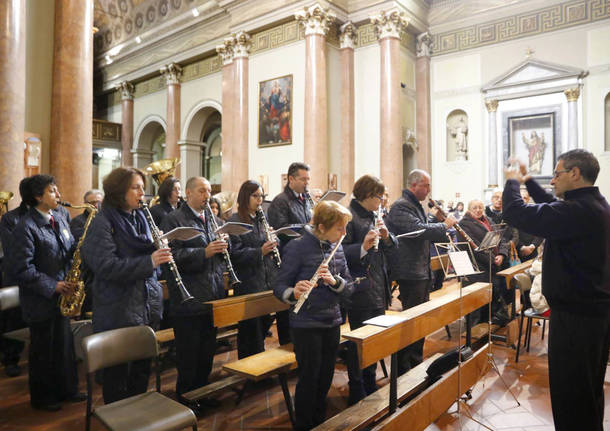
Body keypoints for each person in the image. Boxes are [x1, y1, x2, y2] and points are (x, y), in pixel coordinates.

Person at [502, 149, 610, 431]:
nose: (552, 181)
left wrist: (513, 181)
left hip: (577, 318)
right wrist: (528, 179)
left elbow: (515, 212)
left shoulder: (577, 210)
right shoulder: (593, 204)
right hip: (591, 315)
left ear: (574, 174)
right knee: (587, 392)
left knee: (571, 395)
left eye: (556, 174)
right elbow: (550, 203)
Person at [81, 167, 170, 404]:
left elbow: (151, 264)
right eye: (136, 187)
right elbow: (106, 266)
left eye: (143, 187)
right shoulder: (103, 221)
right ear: (119, 190)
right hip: (117, 308)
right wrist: (149, 260)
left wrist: (158, 250)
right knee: (117, 376)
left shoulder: (140, 216)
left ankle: (138, 417)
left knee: (141, 372)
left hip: (145, 305)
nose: (143, 192)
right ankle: (118, 420)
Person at [274, 201, 353, 430]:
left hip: (332, 320)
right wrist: (293, 291)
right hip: (305, 323)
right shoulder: (297, 247)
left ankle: (319, 422)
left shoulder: (335, 248)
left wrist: (334, 281)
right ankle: (304, 425)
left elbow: (348, 287)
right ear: (321, 226)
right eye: (340, 228)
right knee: (310, 377)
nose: (344, 234)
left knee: (326, 376)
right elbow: (279, 285)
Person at [11, 175, 85, 411]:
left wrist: (81, 249)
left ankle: (67, 390)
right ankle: (43, 398)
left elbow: (69, 246)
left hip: (63, 294)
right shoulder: (25, 227)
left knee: (64, 346)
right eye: (52, 191)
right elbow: (22, 269)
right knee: (43, 350)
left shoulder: (60, 218)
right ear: (37, 197)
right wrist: (53, 285)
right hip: (40, 299)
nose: (59, 195)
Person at [160, 176, 227, 412]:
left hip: (212, 293)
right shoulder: (174, 219)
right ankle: (187, 398)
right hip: (188, 297)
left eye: (209, 191)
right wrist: (205, 253)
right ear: (188, 193)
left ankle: (203, 392)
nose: (206, 195)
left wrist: (222, 245)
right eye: (201, 191)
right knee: (189, 353)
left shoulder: (212, 218)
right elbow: (171, 258)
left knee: (207, 351)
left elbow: (215, 253)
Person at [386, 169, 456, 374]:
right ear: (414, 185)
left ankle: (414, 363)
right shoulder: (401, 206)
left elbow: (424, 227)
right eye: (426, 185)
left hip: (419, 269)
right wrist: (443, 225)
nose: (428, 190)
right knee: (411, 323)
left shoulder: (414, 205)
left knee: (420, 321)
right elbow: (418, 232)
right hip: (409, 271)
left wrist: (437, 223)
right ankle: (404, 369)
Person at [342, 175, 396, 404]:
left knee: (374, 337)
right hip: (359, 287)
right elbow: (339, 252)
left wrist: (386, 237)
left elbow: (392, 245)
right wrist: (362, 248)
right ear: (365, 195)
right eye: (378, 196)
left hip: (377, 284)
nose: (382, 200)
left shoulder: (375, 214)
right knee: (359, 341)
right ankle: (356, 386)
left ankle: (369, 379)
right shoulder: (348, 217)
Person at [228, 180, 278, 358]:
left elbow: (271, 243)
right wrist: (260, 251)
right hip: (248, 281)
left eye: (261, 196)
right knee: (251, 330)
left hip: (266, 279)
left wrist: (274, 241)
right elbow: (234, 254)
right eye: (255, 196)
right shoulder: (235, 220)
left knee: (263, 325)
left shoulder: (262, 218)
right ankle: (249, 367)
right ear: (245, 196)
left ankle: (259, 362)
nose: (259, 200)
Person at [268, 162, 314, 345]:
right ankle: (289, 347)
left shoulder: (305, 199)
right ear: (291, 179)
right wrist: (309, 227)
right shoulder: (280, 201)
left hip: (305, 258)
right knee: (288, 314)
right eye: (303, 179)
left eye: (308, 179)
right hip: (289, 260)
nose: (306, 183)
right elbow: (282, 231)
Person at [457, 199, 510, 325]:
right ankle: (474, 329)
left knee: (490, 298)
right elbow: (473, 248)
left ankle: (486, 324)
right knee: (476, 302)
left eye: (480, 207)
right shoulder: (463, 224)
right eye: (474, 207)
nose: (478, 210)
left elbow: (501, 239)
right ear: (469, 210)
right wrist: (493, 260)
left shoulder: (488, 221)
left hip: (492, 265)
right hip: (478, 268)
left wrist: (502, 254)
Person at [0, 179, 29, 377]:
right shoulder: (11, 218)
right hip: (15, 274)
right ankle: (10, 358)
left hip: (35, 275)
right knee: (13, 319)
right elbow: (13, 251)